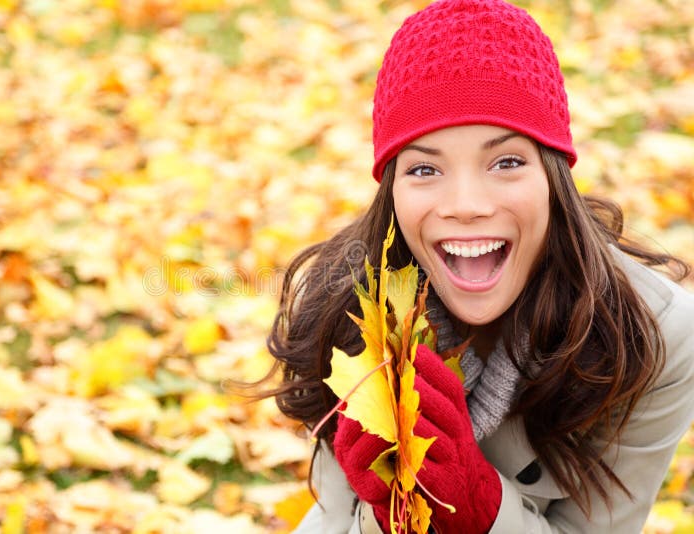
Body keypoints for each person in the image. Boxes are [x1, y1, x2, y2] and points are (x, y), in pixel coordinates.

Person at [264, 0, 694, 532]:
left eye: (507, 161)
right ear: (392, 190)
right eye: (424, 168)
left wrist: (481, 507)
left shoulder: (657, 336)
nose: (465, 204)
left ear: (554, 175)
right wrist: (392, 511)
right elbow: (333, 520)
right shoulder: (353, 301)